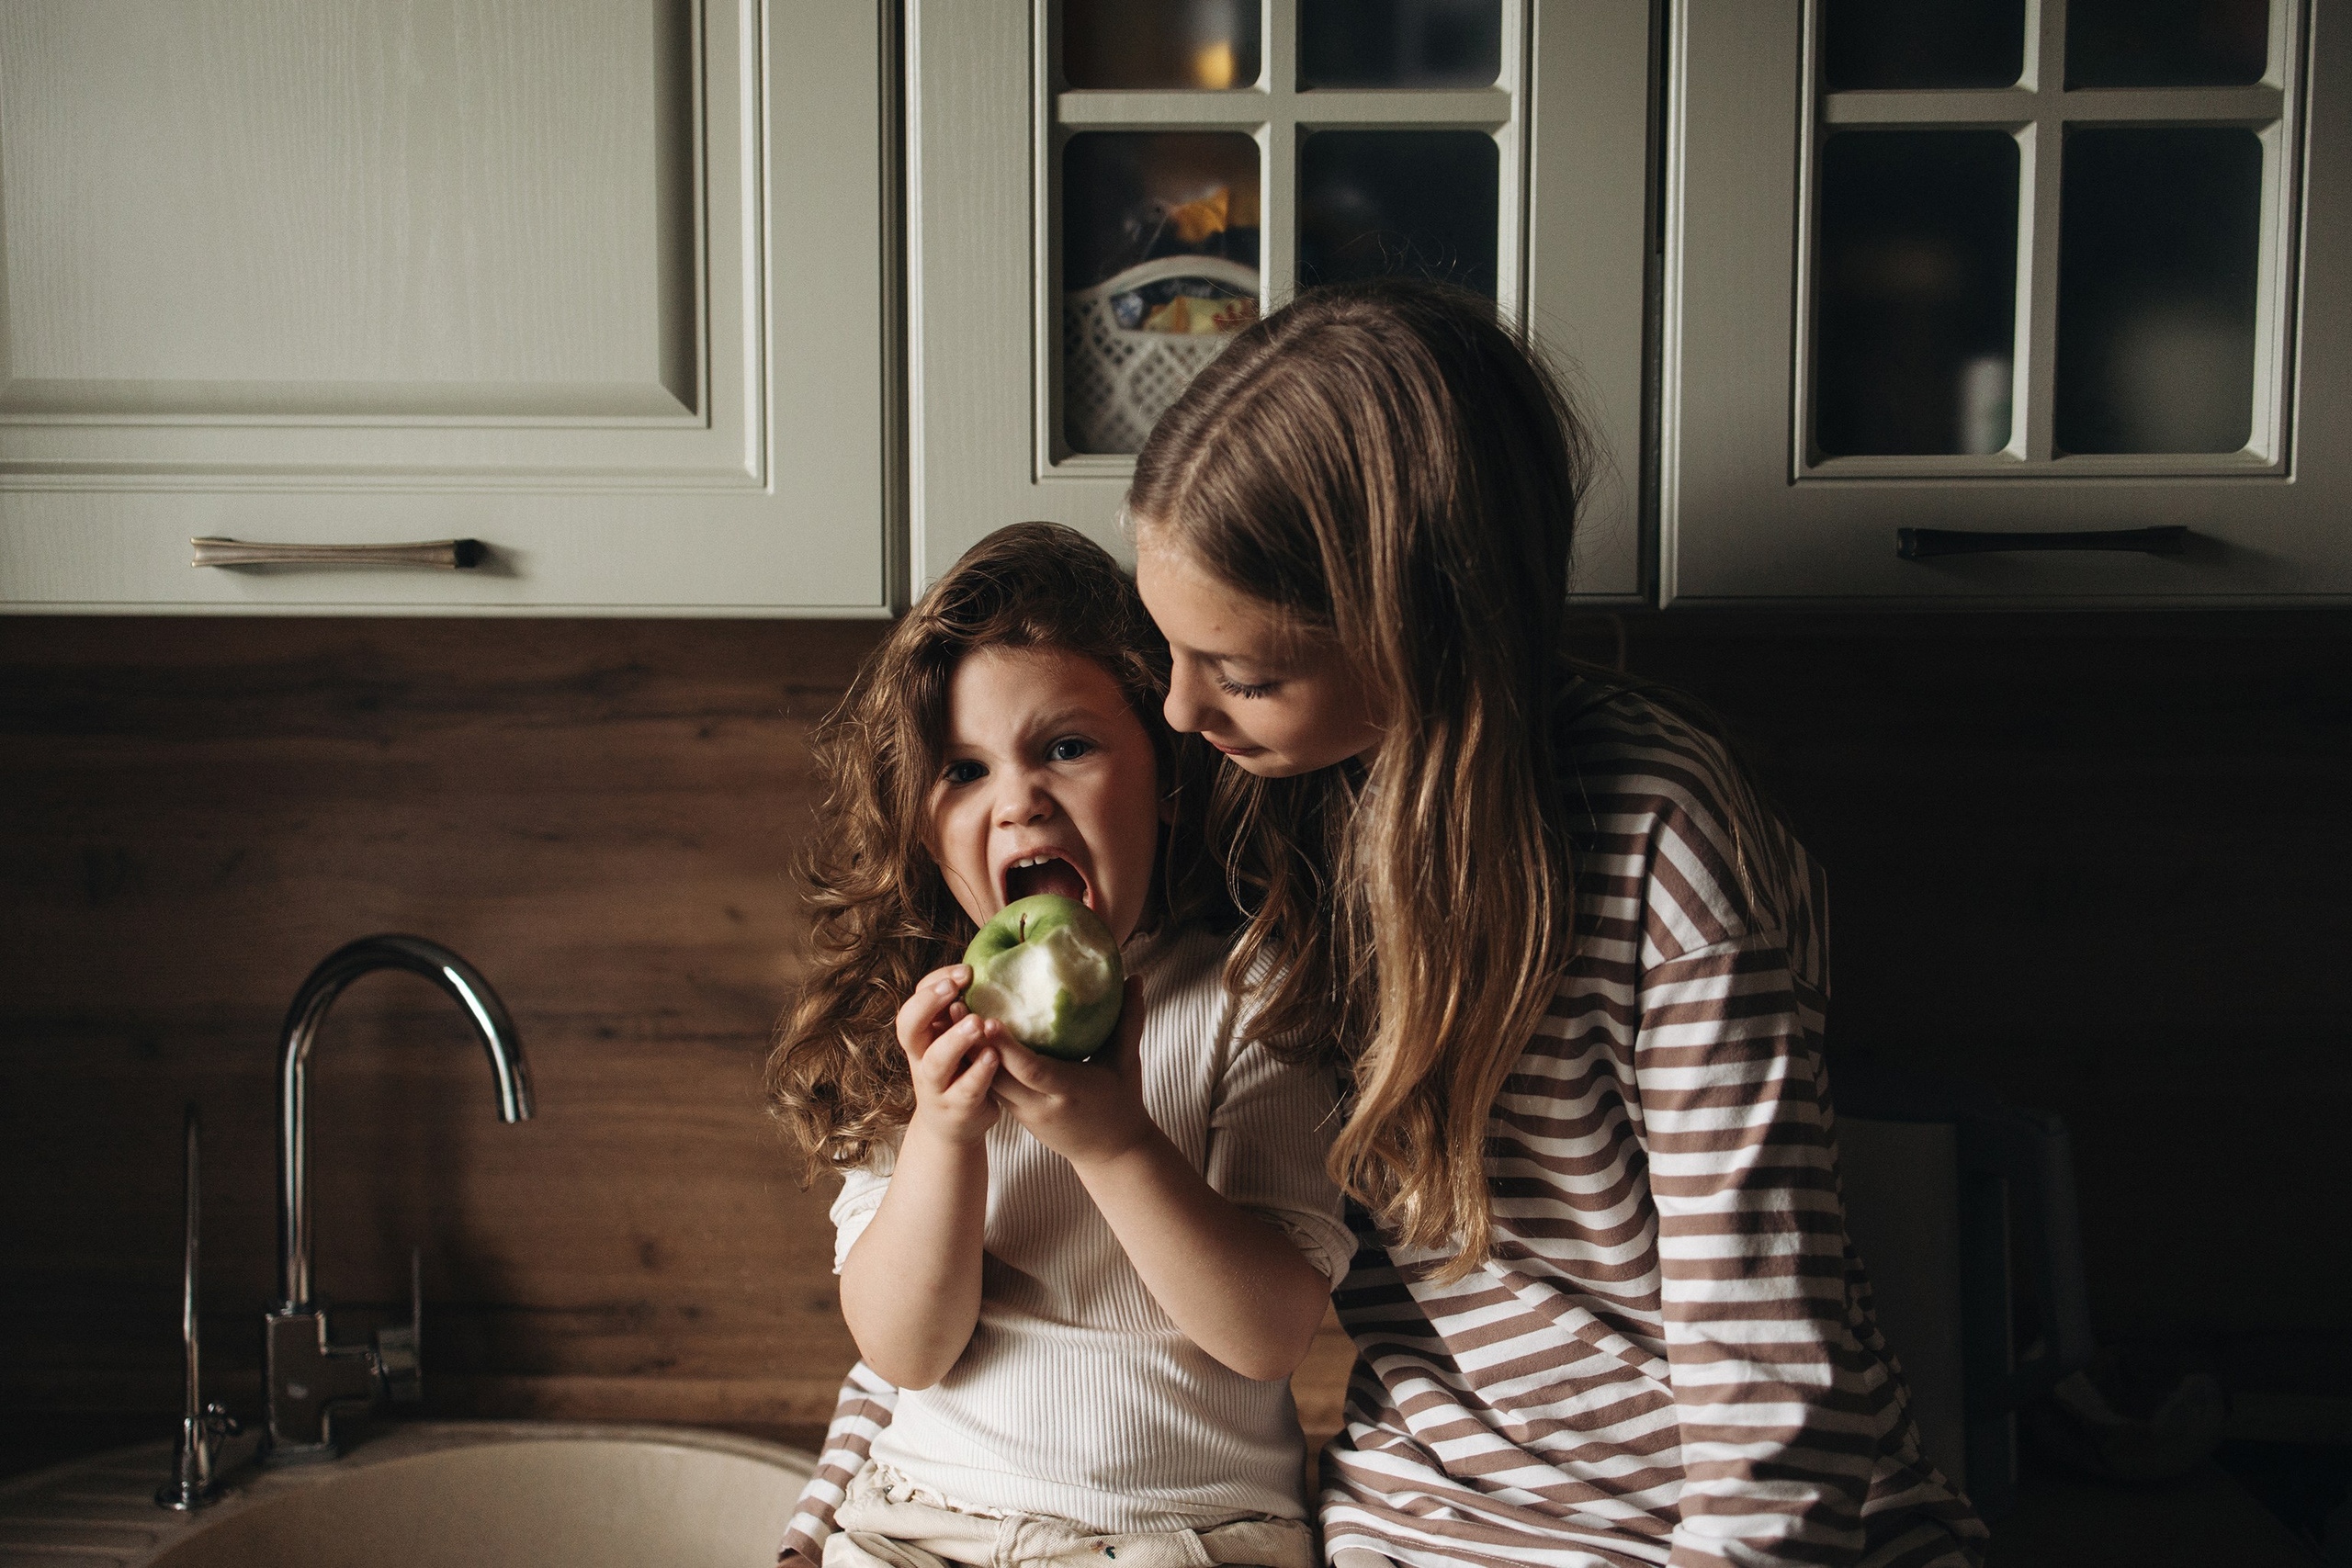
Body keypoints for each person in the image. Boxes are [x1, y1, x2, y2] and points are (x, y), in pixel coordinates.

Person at [788, 282, 1989, 1568]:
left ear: (1418, 638)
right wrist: (827, 1516)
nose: (1179, 715)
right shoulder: (1272, 815)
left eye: (1242, 673)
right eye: (1173, 655)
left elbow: (1769, 1400)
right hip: (1417, 1521)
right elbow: (967, 1314)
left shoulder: (1670, 858)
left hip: (1696, 1520)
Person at [767, 522, 1353, 1568]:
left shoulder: (1250, 994)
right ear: (918, 822)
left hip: (1183, 1534)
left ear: (1166, 776)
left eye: (1067, 748)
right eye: (963, 769)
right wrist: (943, 1134)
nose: (1018, 800)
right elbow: (905, 1350)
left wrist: (1116, 1141)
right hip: (925, 1518)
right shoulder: (918, 1025)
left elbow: (1269, 1335)